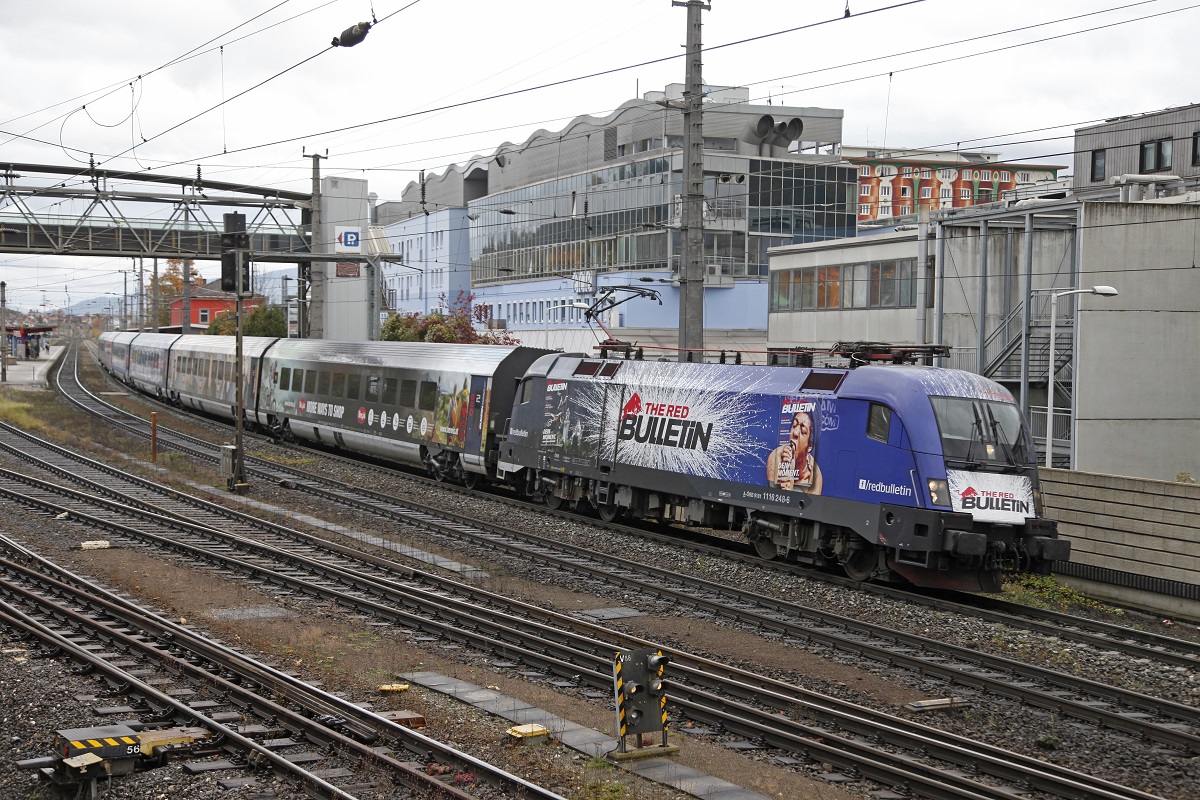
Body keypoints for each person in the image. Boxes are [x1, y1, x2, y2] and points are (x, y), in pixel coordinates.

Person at [766, 409, 823, 494]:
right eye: (794, 425)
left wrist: (790, 491)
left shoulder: (815, 477)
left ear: (809, 447)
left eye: (803, 431)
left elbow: (810, 507)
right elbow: (773, 503)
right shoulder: (775, 458)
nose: (795, 433)